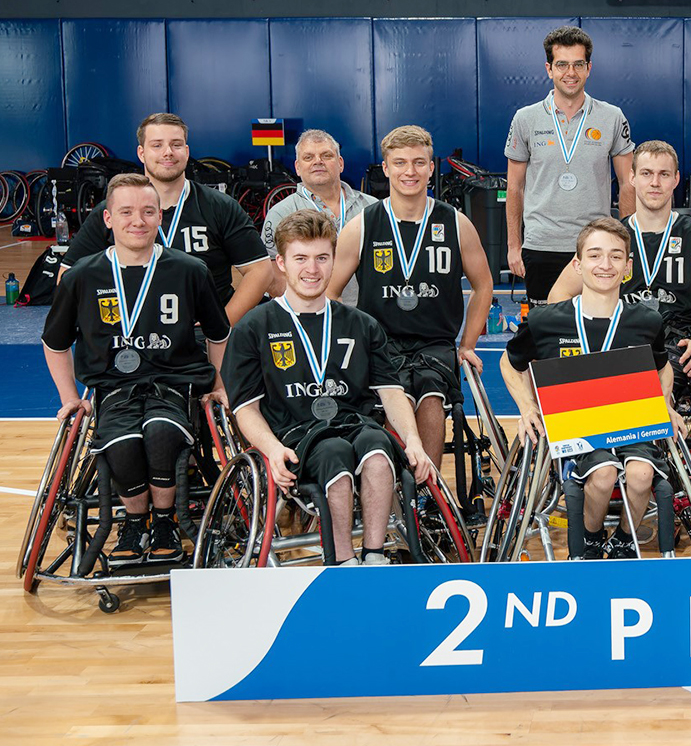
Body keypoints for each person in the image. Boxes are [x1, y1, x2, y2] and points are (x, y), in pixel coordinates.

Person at [222, 209, 435, 566]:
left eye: (322, 258)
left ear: (334, 261)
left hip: (354, 424)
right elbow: (245, 408)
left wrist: (413, 440)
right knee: (334, 453)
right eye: (301, 258)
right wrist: (272, 449)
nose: (312, 269)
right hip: (295, 435)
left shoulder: (362, 324)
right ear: (282, 264)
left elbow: (391, 392)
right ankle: (343, 561)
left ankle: (374, 554)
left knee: (379, 449)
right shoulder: (253, 328)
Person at [43, 173, 231, 565]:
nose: (138, 221)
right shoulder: (81, 276)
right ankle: (134, 521)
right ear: (108, 219)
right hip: (113, 389)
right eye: (126, 212)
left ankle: (163, 521)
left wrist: (219, 384)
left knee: (162, 432)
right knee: (122, 443)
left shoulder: (189, 269)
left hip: (174, 386)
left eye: (148, 212)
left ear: (160, 216)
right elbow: (55, 342)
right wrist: (70, 399)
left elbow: (218, 333)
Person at [502, 217, 684, 560]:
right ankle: (591, 535)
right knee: (602, 475)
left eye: (616, 257)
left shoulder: (646, 321)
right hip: (577, 430)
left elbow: (662, 368)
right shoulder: (547, 320)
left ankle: (625, 540)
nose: (605, 265)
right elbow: (509, 364)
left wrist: (665, 405)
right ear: (578, 264)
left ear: (628, 267)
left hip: (632, 424)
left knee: (641, 474)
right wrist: (527, 407)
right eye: (596, 255)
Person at [327, 125, 494, 476]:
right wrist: (349, 344)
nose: (410, 171)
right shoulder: (362, 226)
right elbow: (330, 293)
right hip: (381, 342)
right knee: (394, 399)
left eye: (419, 163)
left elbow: (483, 285)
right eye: (400, 163)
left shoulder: (455, 222)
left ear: (432, 168)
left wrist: (467, 344)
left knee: (432, 399)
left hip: (436, 341)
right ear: (385, 168)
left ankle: (427, 496)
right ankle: (393, 491)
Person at [548, 140, 691, 389]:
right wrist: (585, 334)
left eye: (664, 174)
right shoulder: (610, 237)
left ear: (676, 179)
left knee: (642, 389)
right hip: (618, 340)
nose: (655, 183)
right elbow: (558, 294)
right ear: (633, 177)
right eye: (647, 173)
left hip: (677, 345)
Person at [63, 113, 274, 323]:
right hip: (132, 332)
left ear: (187, 151)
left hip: (202, 334)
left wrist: (222, 324)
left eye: (176, 145)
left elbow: (260, 270)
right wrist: (105, 325)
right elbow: (68, 275)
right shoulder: (113, 211)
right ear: (141, 153)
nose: (168, 152)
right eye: (157, 145)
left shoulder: (220, 206)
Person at [504, 26, 635, 301]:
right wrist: (514, 245)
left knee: (596, 334)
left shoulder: (612, 117)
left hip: (597, 247)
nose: (570, 73)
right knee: (546, 334)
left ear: (589, 68)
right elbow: (514, 188)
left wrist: (627, 248)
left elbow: (627, 184)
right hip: (541, 245)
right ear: (549, 69)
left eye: (578, 64)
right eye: (561, 64)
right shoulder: (525, 119)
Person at [262, 129, 377, 305]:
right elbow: (271, 274)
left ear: (340, 163)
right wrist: (310, 306)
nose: (318, 162)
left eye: (326, 155)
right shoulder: (281, 213)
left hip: (366, 315)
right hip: (309, 316)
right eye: (308, 157)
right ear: (297, 168)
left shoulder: (372, 207)